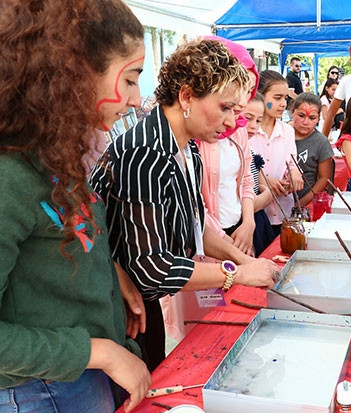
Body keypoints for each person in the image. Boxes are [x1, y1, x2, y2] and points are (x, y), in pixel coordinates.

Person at [90, 39, 281, 372]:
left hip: (138, 300)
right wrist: (234, 274)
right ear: (187, 96)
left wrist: (241, 259)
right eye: (225, 108)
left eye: (237, 111)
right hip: (114, 304)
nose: (232, 121)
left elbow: (196, 225)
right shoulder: (146, 154)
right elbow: (150, 269)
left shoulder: (188, 147)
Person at [0, 0, 152, 411]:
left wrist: (106, 272)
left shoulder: (56, 148)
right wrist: (100, 351)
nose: (137, 100)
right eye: (132, 78)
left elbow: (53, 238)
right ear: (74, 72)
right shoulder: (10, 174)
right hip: (41, 391)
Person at [196, 36, 259, 256]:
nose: (244, 100)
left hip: (238, 230)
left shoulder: (238, 129)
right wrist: (228, 246)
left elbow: (246, 179)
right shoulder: (197, 134)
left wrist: (248, 223)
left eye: (250, 90)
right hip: (207, 241)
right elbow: (193, 204)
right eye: (240, 88)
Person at [250, 70, 304, 235]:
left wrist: (294, 174)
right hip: (257, 213)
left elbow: (291, 161)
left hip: (283, 212)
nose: (283, 104)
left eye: (285, 99)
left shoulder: (287, 131)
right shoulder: (248, 131)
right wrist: (265, 181)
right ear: (260, 96)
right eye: (277, 98)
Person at [243, 93, 276, 256]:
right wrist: (264, 197)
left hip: (259, 222)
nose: (253, 126)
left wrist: (267, 194)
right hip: (243, 225)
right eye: (247, 118)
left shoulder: (252, 151)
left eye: (258, 121)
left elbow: (266, 189)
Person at [291, 93, 334, 206]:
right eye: (301, 116)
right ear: (292, 112)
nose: (306, 122)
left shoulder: (321, 142)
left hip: (305, 202)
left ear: (319, 118)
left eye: (312, 118)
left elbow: (324, 178)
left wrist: (300, 204)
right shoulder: (281, 134)